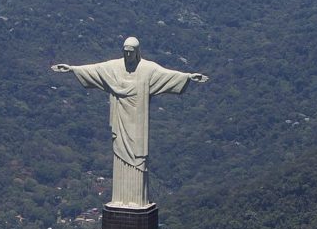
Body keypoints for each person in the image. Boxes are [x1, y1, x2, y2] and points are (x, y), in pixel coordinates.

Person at [51, 37, 208, 207]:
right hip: (120, 120)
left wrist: (189, 77)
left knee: (138, 158)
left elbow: (167, 75)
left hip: (138, 123)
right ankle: (120, 200)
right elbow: (95, 69)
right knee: (119, 155)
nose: (127, 55)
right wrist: (72, 69)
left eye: (131, 52)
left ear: (137, 52)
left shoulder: (148, 69)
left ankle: (136, 200)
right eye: (125, 51)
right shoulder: (114, 67)